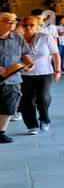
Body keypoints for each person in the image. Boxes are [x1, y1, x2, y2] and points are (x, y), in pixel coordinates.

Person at [18, 15, 60, 133]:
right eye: (25, 25)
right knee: (26, 100)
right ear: (22, 26)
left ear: (37, 26)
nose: (28, 27)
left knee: (44, 97)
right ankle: (32, 126)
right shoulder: (18, 39)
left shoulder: (46, 38)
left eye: (32, 25)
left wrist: (58, 71)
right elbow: (14, 57)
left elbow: (56, 54)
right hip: (23, 74)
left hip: (44, 73)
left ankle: (44, 119)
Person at [0, 14, 34, 143]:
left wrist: (30, 64)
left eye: (14, 21)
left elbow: (24, 54)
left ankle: (1, 133)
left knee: (9, 107)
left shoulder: (18, 38)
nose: (12, 24)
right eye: (9, 21)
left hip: (13, 79)